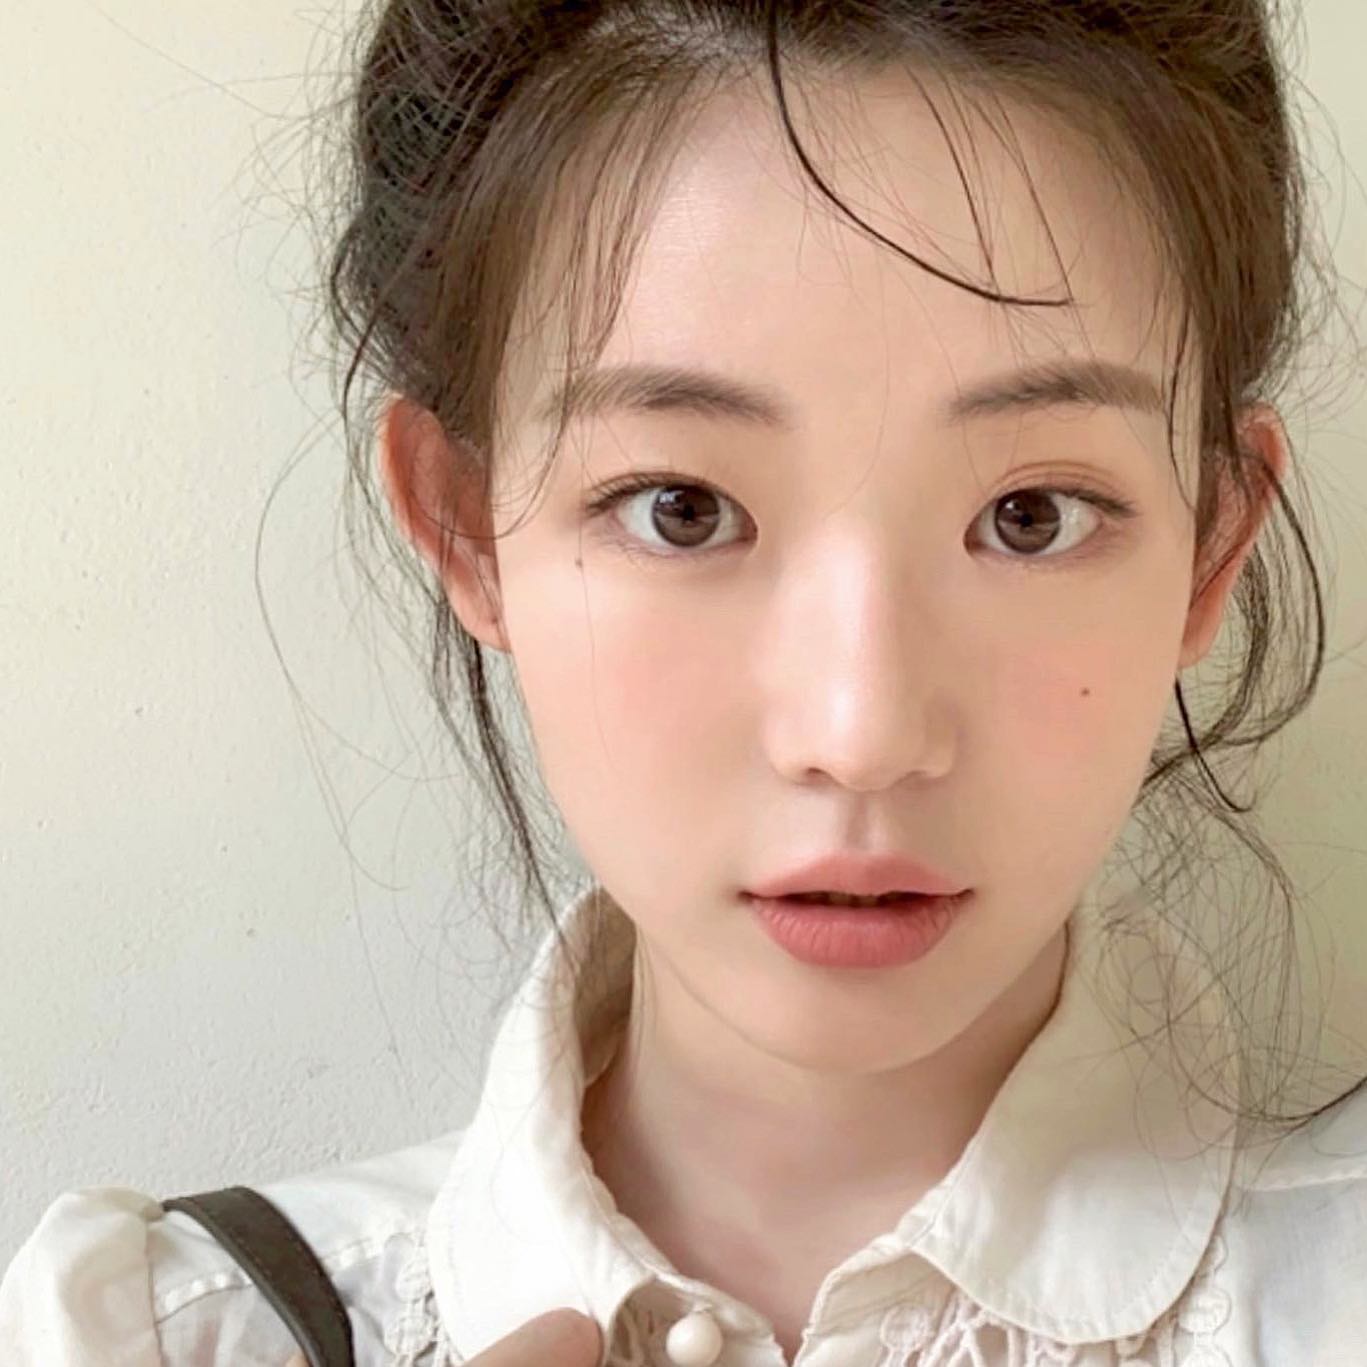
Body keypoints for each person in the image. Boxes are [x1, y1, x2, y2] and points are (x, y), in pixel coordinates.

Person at [3, 0, 1364, 1363]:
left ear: (1211, 546)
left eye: (1031, 517)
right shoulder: (154, 1336)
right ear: (467, 526)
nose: (860, 733)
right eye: (683, 510)